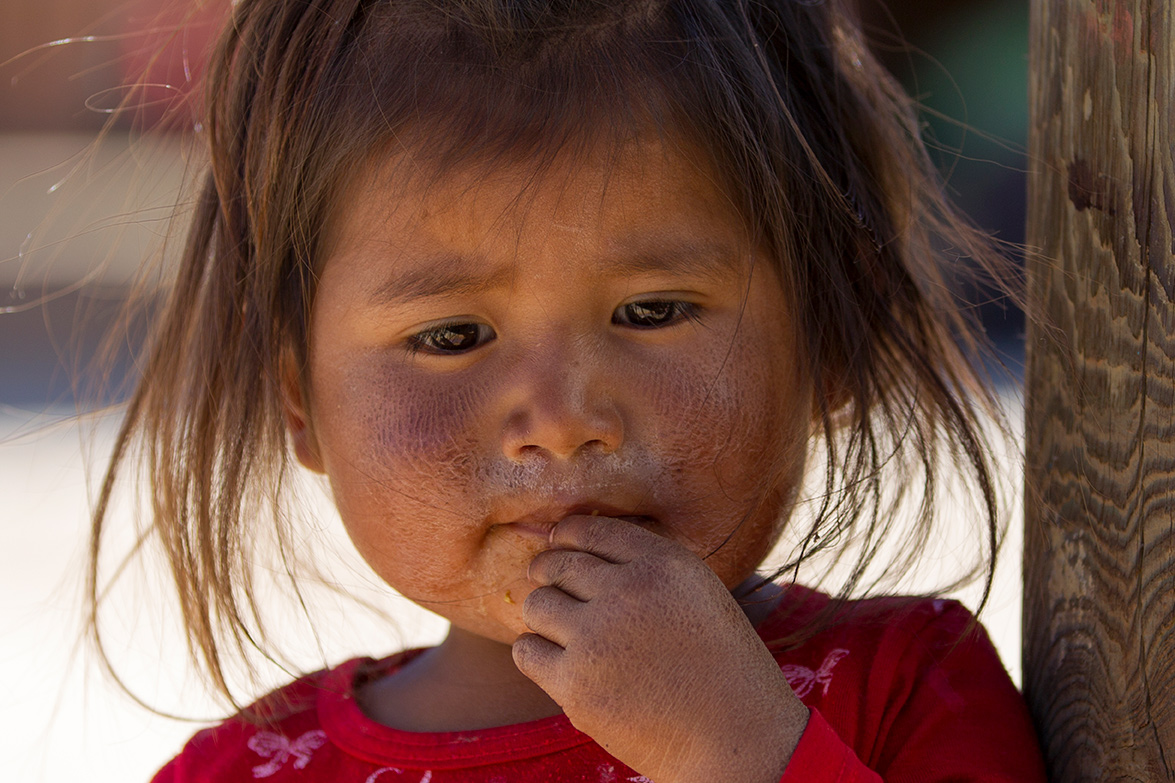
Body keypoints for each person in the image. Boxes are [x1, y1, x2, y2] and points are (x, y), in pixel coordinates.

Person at [86, 1, 1046, 780]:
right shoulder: (245, 770)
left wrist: (742, 753)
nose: (560, 419)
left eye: (652, 311)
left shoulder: (899, 690)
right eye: (451, 336)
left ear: (828, 341)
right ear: (301, 404)